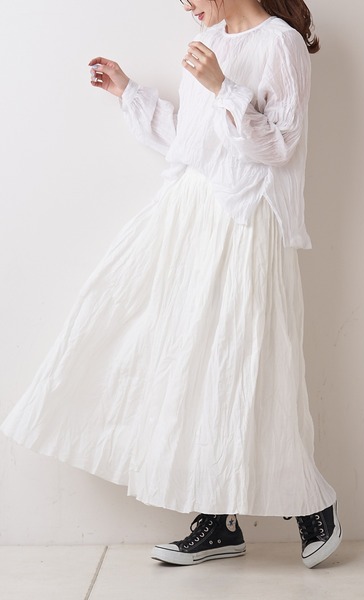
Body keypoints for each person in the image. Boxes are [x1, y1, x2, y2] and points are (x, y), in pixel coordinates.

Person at [0, 0, 342, 569]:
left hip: (246, 218)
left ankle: (312, 502)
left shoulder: (279, 43)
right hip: (192, 213)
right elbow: (193, 141)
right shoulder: (212, 41)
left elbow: (279, 146)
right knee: (187, 360)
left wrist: (223, 86)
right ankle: (217, 519)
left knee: (249, 363)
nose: (184, 3)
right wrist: (129, 93)